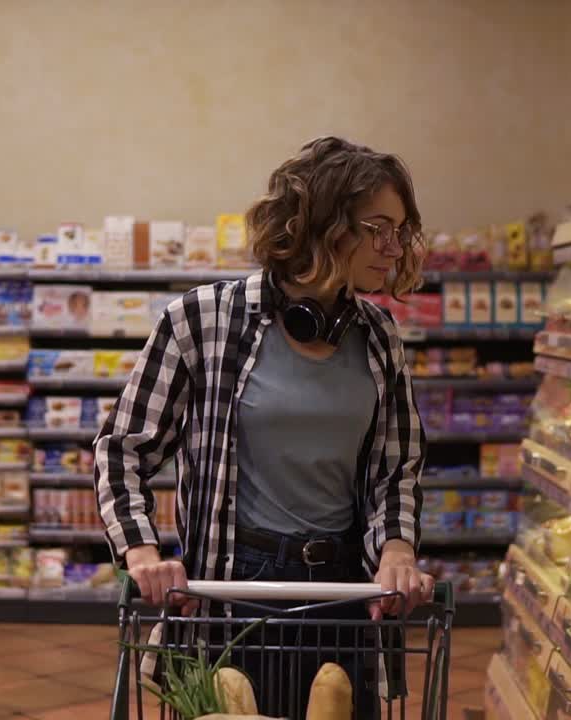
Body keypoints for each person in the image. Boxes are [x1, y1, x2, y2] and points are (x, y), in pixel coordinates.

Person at [93, 136, 433, 717]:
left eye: (401, 231)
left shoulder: (379, 337)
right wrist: (143, 555)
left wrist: (397, 552)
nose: (394, 247)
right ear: (321, 224)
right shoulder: (202, 320)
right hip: (234, 586)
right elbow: (122, 450)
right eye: (378, 228)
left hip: (346, 589)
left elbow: (396, 468)